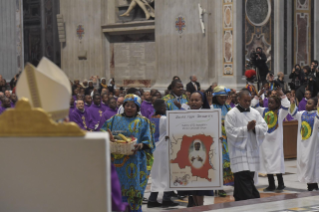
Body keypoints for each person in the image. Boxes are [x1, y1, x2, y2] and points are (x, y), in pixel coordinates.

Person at [101, 94, 155, 212]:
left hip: (135, 163)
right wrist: (107, 136)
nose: (129, 108)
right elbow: (102, 132)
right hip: (117, 164)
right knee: (117, 191)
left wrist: (140, 145)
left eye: (133, 106)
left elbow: (149, 142)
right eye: (127, 105)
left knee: (134, 193)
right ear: (123, 106)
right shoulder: (114, 119)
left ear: (138, 108)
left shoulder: (143, 121)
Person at [225, 90, 268, 201]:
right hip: (238, 152)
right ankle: (250, 199)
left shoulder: (255, 113)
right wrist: (246, 129)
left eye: (249, 101)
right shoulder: (231, 114)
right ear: (238, 99)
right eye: (245, 101)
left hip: (252, 152)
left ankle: (241, 199)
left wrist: (255, 128)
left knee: (248, 177)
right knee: (242, 176)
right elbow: (230, 132)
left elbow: (264, 127)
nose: (248, 103)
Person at [251, 87, 289, 191]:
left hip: (276, 143)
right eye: (269, 102)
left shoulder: (280, 113)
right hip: (265, 143)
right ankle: (271, 184)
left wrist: (283, 95)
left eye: (272, 103)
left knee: (277, 163)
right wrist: (258, 95)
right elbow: (253, 106)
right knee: (267, 164)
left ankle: (281, 183)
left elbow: (287, 106)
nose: (269, 104)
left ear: (277, 104)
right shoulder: (263, 111)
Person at [147, 99, 179, 208]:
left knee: (156, 175)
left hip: (154, 149)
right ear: (161, 108)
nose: (165, 108)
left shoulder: (151, 118)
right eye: (164, 107)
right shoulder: (164, 119)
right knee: (167, 174)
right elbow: (173, 131)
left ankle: (152, 200)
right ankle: (166, 199)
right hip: (164, 150)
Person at [206, 86, 234, 197]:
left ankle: (221, 186)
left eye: (224, 97)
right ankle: (215, 186)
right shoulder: (211, 106)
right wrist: (209, 103)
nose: (223, 100)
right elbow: (210, 117)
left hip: (226, 140)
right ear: (215, 97)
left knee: (224, 164)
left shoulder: (227, 107)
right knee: (214, 163)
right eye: (221, 98)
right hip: (214, 140)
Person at [289, 96, 319, 191]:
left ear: (315, 106)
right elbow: (293, 113)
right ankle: (310, 186)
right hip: (303, 144)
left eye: (310, 103)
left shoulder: (316, 114)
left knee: (313, 165)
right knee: (305, 165)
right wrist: (293, 103)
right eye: (307, 103)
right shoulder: (302, 114)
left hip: (313, 144)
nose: (307, 105)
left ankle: (314, 186)